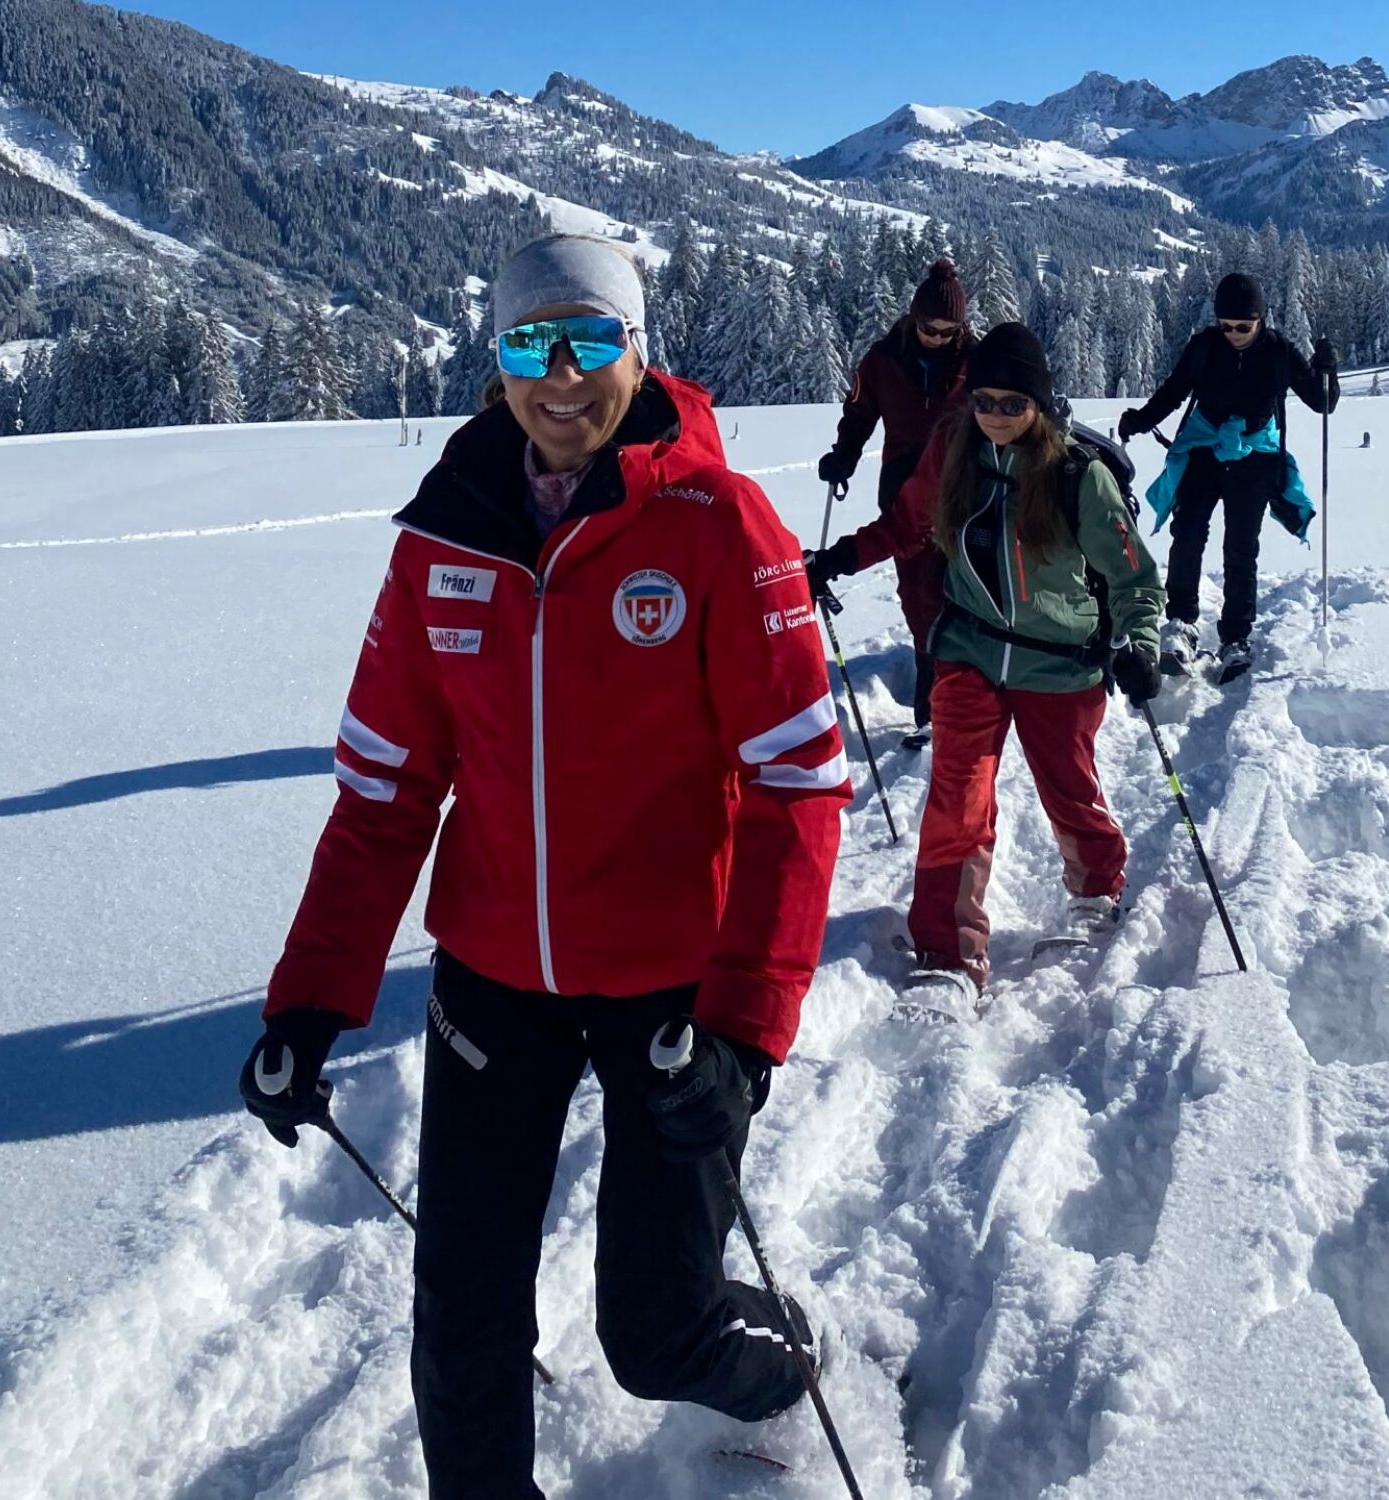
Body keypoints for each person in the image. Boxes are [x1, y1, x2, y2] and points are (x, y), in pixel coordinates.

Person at [239, 234, 850, 1499]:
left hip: (673, 989)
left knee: (656, 1331)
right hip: (491, 979)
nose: (560, 376)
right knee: (461, 1318)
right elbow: (383, 791)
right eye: (529, 343)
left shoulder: (715, 523)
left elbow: (796, 780)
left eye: (589, 340)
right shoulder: (444, 536)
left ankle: (789, 1370)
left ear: (638, 348)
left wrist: (747, 1032)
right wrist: (306, 1005)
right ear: (497, 361)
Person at [804, 324, 1164, 1009]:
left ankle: (1098, 891)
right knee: (957, 798)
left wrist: (1140, 645)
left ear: (1040, 404)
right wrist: (837, 560)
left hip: (1060, 663)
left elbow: (1135, 580)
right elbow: (905, 525)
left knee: (1068, 787)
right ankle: (948, 951)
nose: (996, 415)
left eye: (1012, 403)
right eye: (984, 401)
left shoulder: (1076, 476)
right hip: (969, 651)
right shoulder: (954, 451)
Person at [1118, 273, 1339, 684]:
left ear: (1260, 320)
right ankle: (1181, 624)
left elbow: (1321, 402)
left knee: (1241, 546)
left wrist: (1326, 370)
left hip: (1255, 457)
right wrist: (1141, 419)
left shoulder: (1278, 351)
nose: (1233, 334)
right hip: (1203, 449)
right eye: (1226, 326)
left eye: (1243, 326)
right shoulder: (1205, 347)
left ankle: (1235, 637)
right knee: (1187, 533)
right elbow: (1174, 391)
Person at [817, 258, 975, 749]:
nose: (937, 338)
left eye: (948, 331)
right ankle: (931, 686)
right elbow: (859, 411)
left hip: (963, 487)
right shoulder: (884, 359)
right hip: (902, 481)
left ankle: (952, 699)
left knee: (960, 592)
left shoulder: (975, 360)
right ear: (913, 317)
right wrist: (844, 456)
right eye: (929, 328)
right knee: (919, 593)